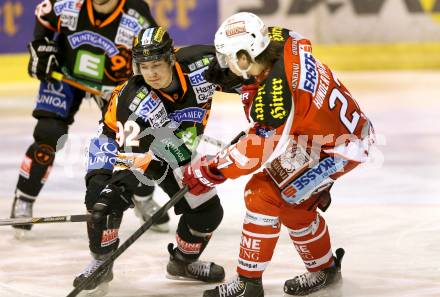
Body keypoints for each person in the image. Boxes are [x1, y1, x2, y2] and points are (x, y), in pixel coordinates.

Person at [182, 12, 375, 297]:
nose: (223, 66)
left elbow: (253, 153)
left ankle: (249, 284)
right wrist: (250, 81)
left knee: (261, 194)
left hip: (335, 147)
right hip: (333, 133)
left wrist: (210, 171)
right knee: (294, 206)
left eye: (227, 59)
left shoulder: (276, 98)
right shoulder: (280, 41)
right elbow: (298, 41)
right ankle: (325, 270)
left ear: (244, 58)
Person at [73, 26, 244, 295]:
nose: (150, 73)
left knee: (207, 212)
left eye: (156, 65)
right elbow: (135, 162)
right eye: (143, 66)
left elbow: (250, 79)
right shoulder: (135, 100)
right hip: (116, 142)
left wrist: (264, 123)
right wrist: (117, 190)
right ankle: (100, 263)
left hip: (174, 144)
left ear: (171, 59)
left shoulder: (203, 64)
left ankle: (182, 263)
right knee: (104, 201)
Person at [10, 0, 168, 236]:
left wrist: (136, 90)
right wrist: (40, 45)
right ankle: (24, 198)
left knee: (134, 140)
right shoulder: (67, 3)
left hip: (113, 86)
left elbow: (156, 50)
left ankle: (142, 197)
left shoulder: (136, 13)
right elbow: (43, 15)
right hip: (65, 76)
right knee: (48, 134)